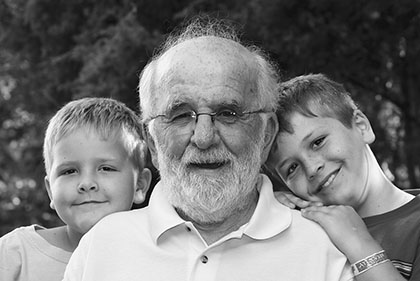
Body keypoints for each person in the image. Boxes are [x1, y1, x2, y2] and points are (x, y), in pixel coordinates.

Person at [63, 18, 353, 281]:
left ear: (265, 136)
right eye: (180, 115)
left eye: (228, 113)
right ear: (152, 143)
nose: (203, 138)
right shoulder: (102, 246)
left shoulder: (322, 248)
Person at [265, 73, 420, 281]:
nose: (311, 168)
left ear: (361, 126)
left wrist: (358, 245)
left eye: (318, 142)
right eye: (292, 168)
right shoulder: (303, 234)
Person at [0, 97, 152, 281]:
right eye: (69, 171)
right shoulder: (15, 254)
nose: (86, 183)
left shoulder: (155, 260)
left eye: (106, 168)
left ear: (140, 185)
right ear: (50, 191)